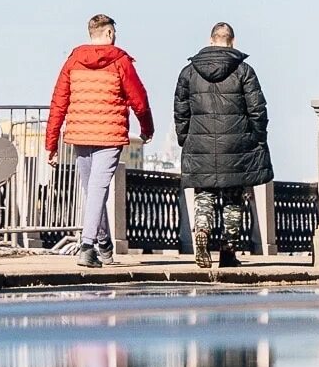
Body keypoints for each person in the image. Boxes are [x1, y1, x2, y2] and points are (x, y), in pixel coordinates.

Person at [46, 14, 154, 268]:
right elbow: (139, 98)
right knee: (97, 190)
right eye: (113, 33)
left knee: (93, 191)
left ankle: (104, 246)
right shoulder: (120, 62)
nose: (115, 37)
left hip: (81, 135)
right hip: (109, 134)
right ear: (107, 34)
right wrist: (147, 128)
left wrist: (51, 144)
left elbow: (58, 102)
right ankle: (87, 247)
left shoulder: (72, 62)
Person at [172, 22, 271, 269]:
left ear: (210, 39)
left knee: (203, 195)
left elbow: (180, 111)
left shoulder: (189, 72)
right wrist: (257, 139)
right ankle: (228, 251)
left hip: (199, 144)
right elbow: (258, 110)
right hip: (236, 147)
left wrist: (185, 138)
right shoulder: (244, 71)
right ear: (233, 41)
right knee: (232, 200)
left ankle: (202, 232)